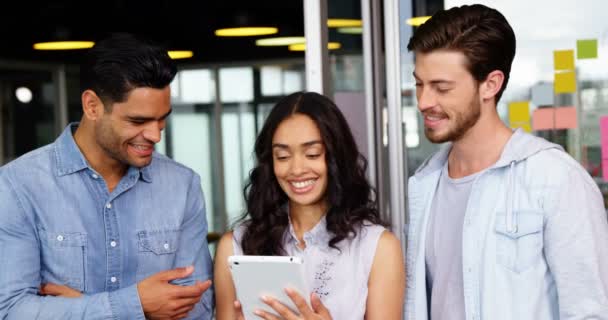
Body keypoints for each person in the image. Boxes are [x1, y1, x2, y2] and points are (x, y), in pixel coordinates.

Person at [405, 4, 608, 320]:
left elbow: (590, 311)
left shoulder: (555, 178)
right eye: (419, 84)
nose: (424, 102)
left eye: (441, 88)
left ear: (490, 84)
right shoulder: (424, 183)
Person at [0, 33, 214, 319]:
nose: (154, 134)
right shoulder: (18, 185)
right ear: (92, 106)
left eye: (162, 118)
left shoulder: (182, 185)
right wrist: (136, 305)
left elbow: (197, 310)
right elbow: (12, 310)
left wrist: (81, 306)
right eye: (137, 121)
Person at [213, 91, 405, 319]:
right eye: (283, 157)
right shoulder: (235, 246)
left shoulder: (377, 247)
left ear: (336, 157)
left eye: (312, 154)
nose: (296, 169)